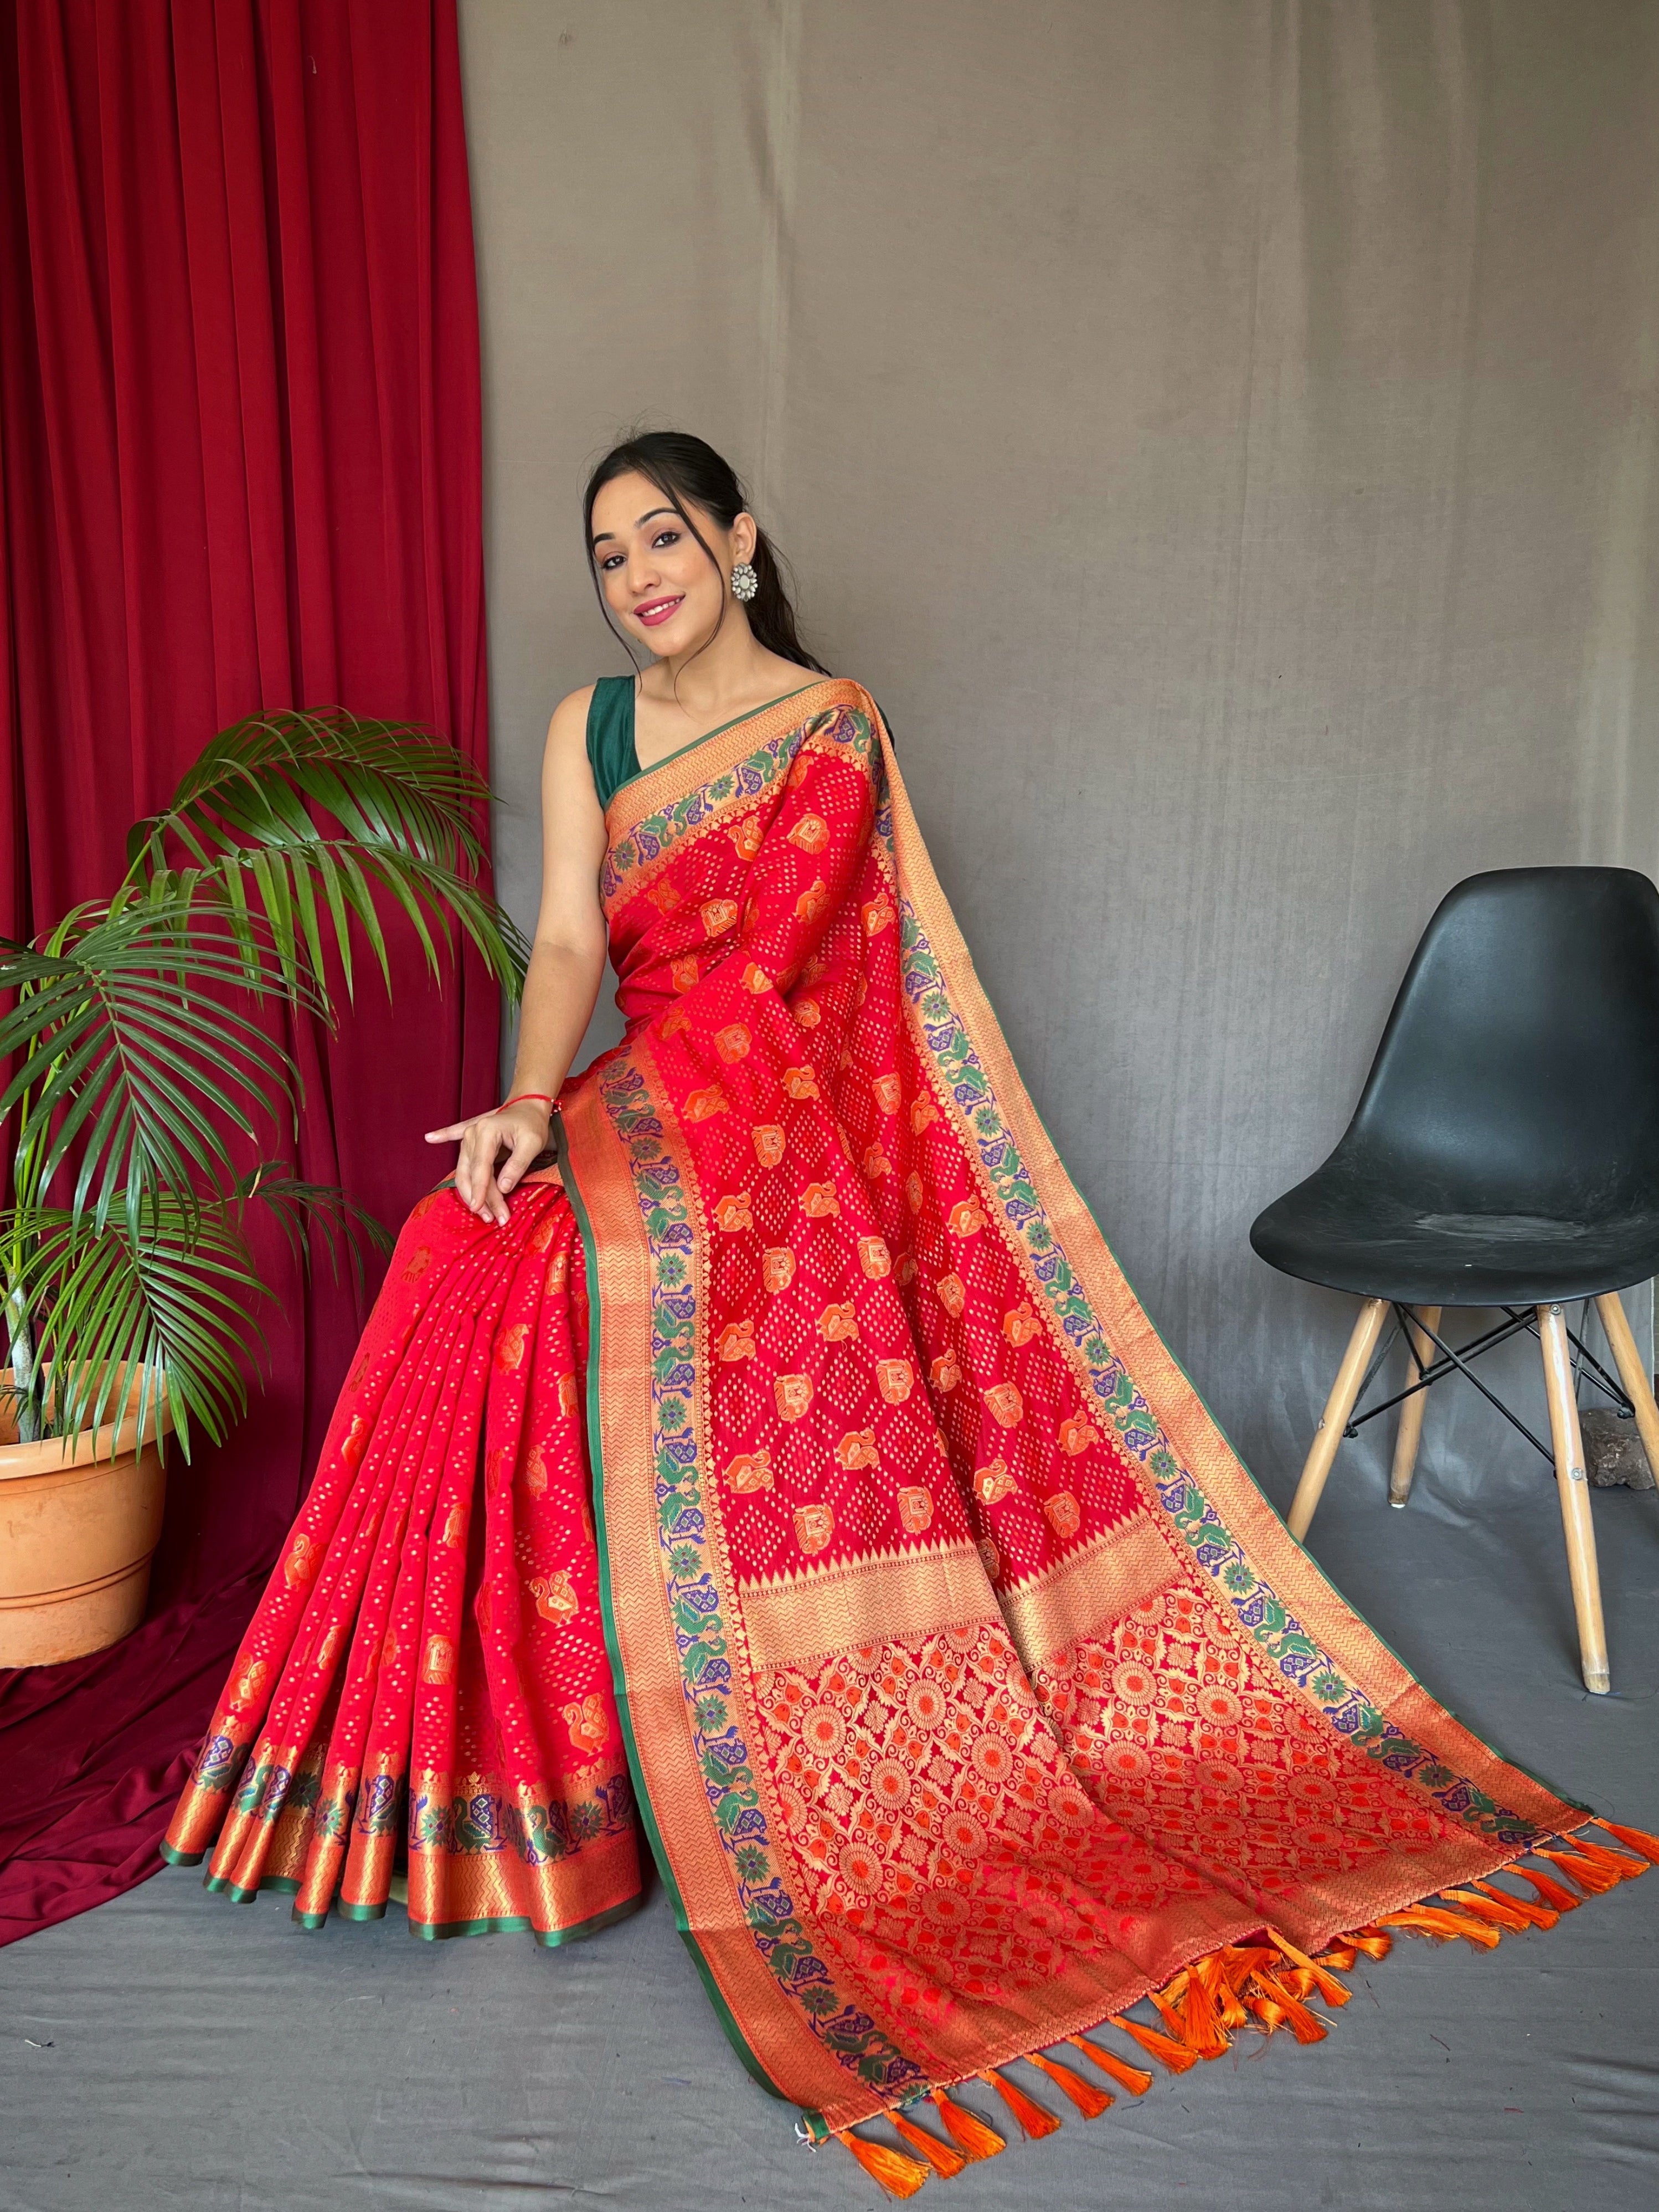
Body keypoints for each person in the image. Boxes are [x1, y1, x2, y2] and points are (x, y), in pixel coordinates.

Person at [163, 431, 1646, 2185]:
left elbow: (782, 978)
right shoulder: (589, 729)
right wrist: (526, 1103)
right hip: (637, 1085)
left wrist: (612, 1132)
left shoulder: (828, 727)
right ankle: (473, 1782)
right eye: (605, 551)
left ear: (738, 538)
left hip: (768, 1114)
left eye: (664, 534)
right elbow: (566, 938)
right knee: (459, 1243)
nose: (637, 574)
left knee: (556, 1256)